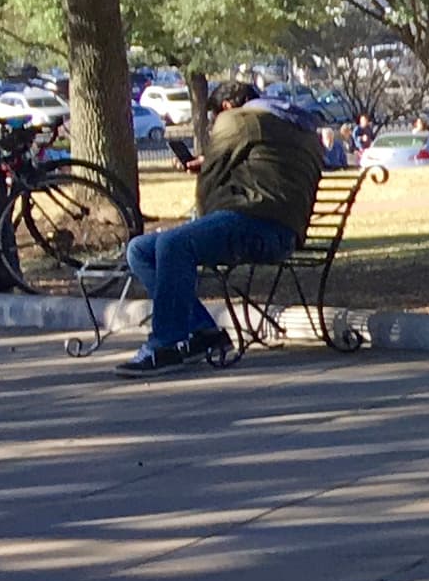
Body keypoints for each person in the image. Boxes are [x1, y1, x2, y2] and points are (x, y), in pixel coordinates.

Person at [115, 78, 323, 378]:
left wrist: (201, 212)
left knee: (173, 244)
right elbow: (268, 169)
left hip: (256, 227)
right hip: (285, 231)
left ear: (226, 106)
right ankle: (203, 332)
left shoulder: (240, 119)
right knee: (140, 249)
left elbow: (210, 184)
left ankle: (165, 346)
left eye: (215, 116)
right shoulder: (297, 124)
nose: (216, 122)